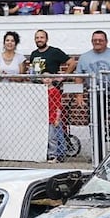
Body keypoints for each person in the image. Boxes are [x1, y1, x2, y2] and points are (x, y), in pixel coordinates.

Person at [74, 30, 110, 143]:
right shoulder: (84, 57)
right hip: (94, 94)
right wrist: (79, 95)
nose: (97, 42)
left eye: (100, 40)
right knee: (95, 122)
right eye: (95, 40)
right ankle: (97, 151)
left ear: (106, 41)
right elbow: (79, 77)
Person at [27, 29, 75, 161]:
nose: (39, 40)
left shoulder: (54, 52)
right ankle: (44, 152)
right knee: (41, 124)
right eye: (37, 38)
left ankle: (59, 152)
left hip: (53, 91)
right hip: (38, 92)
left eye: (42, 37)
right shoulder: (34, 54)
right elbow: (32, 72)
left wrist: (63, 76)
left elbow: (72, 62)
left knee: (55, 125)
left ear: (46, 39)